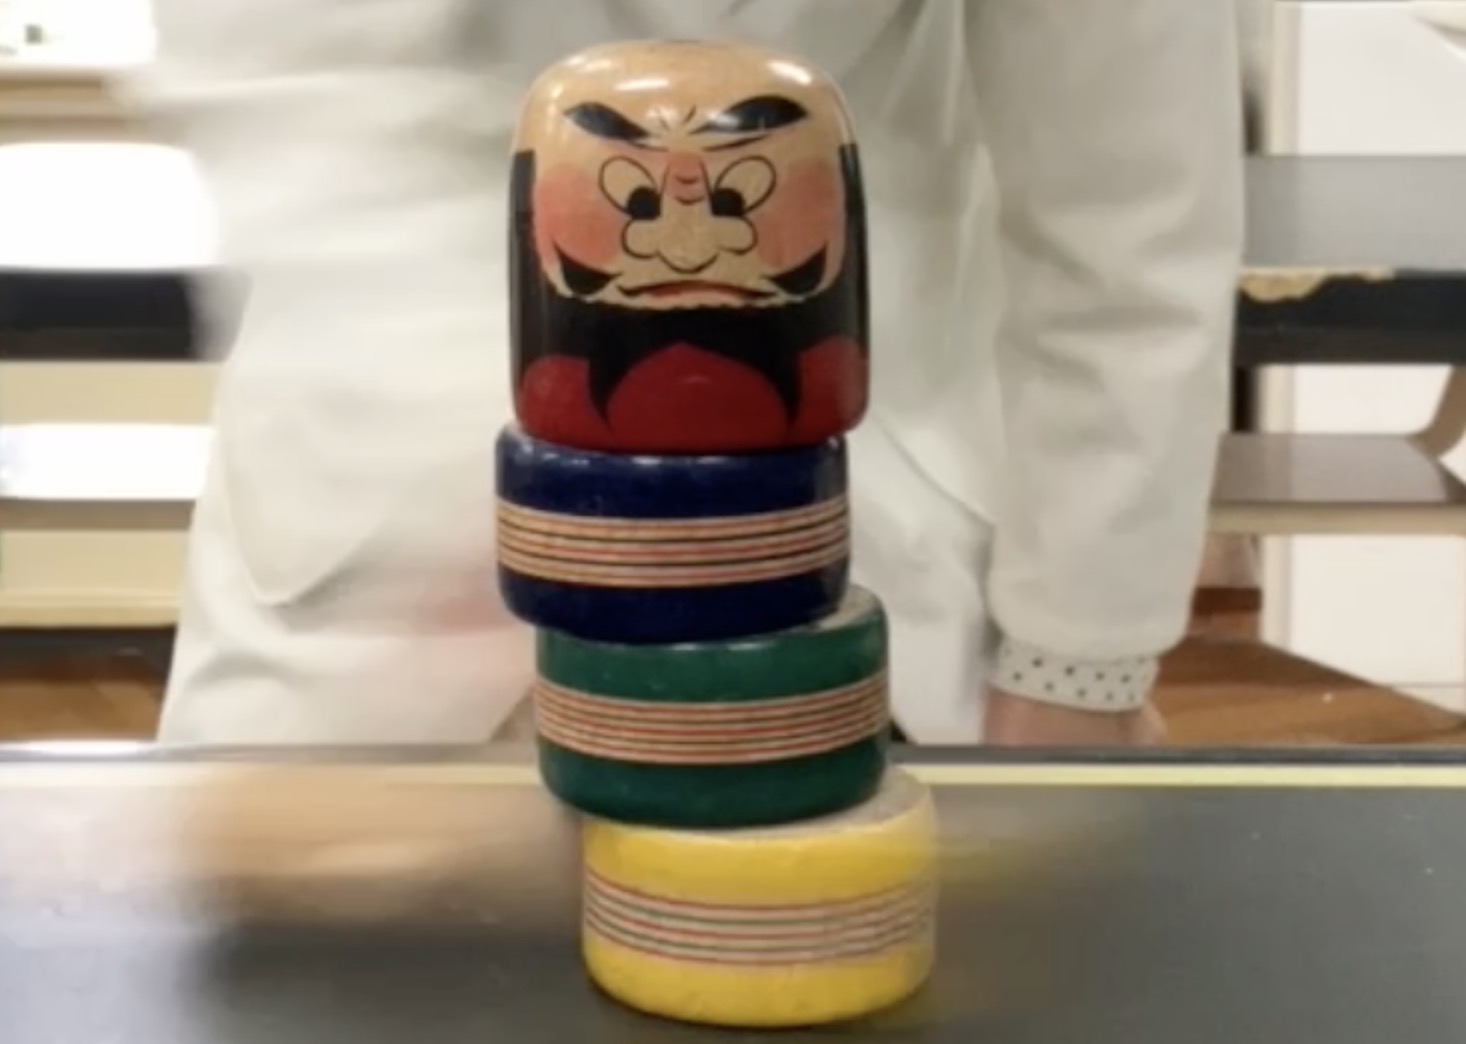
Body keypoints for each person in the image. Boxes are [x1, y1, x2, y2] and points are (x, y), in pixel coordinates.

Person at [132, 1, 1243, 747]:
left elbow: (1125, 213)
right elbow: (304, 101)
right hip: (377, 577)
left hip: (875, 570)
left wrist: (1076, 661)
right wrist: (501, 512)